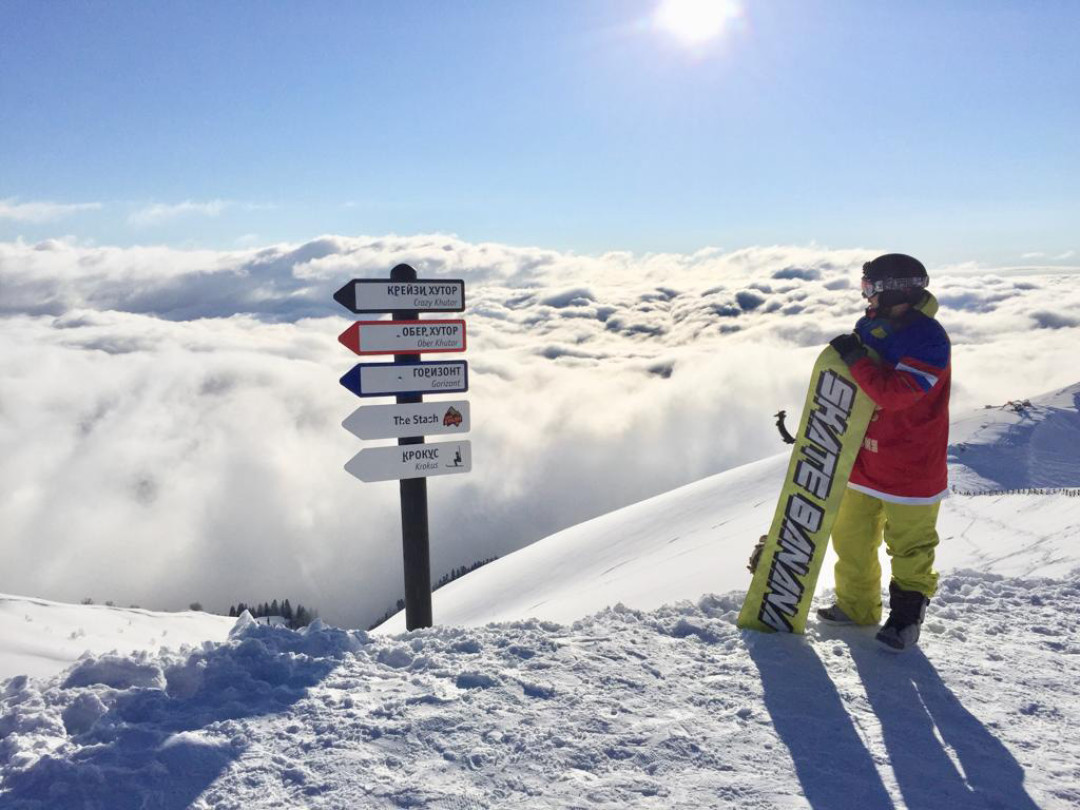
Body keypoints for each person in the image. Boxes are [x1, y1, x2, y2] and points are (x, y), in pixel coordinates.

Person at [818, 253, 951, 652]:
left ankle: (906, 619)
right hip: (864, 460)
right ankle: (857, 607)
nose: (865, 297)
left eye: (869, 288)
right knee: (851, 538)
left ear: (895, 292)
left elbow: (895, 395)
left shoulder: (928, 338)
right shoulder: (871, 325)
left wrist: (855, 359)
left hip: (912, 466)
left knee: (910, 546)